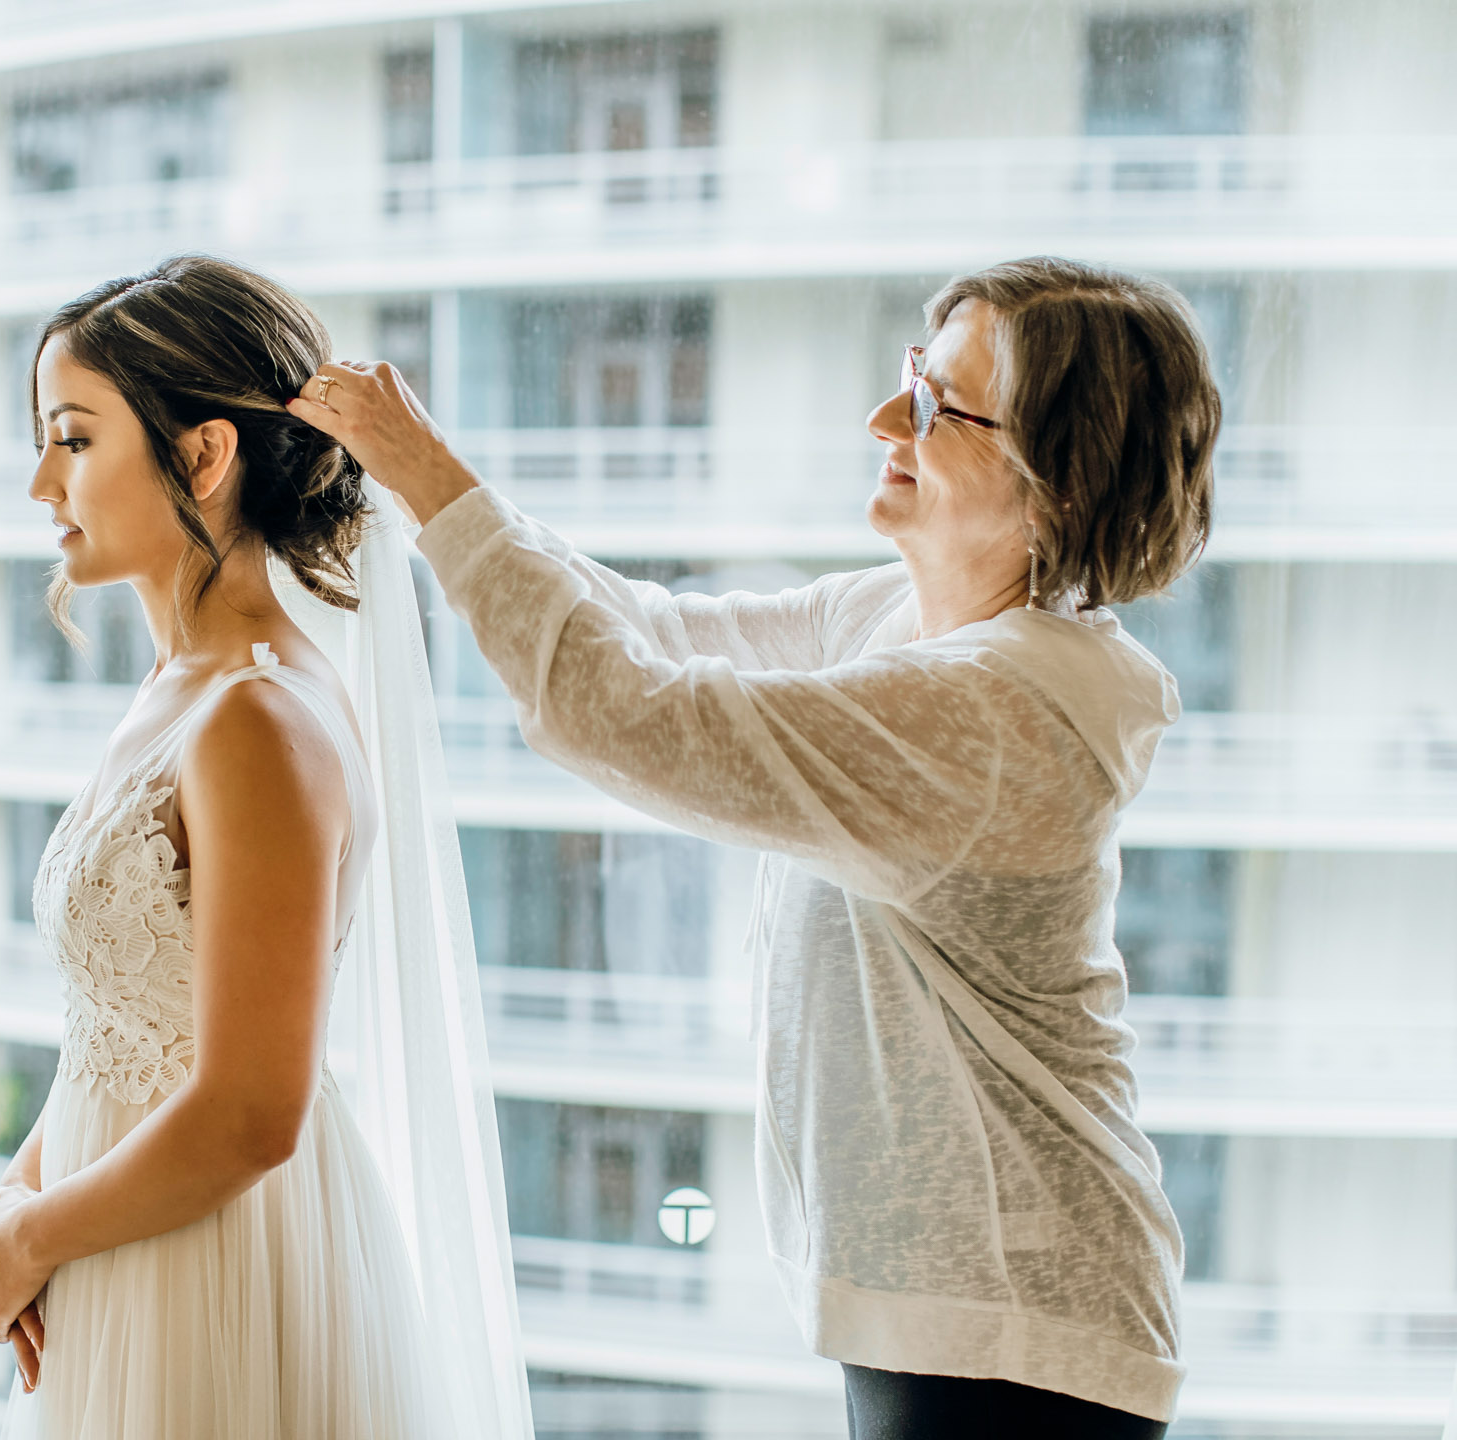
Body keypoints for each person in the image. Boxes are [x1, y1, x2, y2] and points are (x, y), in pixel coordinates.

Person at [290, 256, 1219, 1439]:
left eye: (941, 407)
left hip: (1016, 1324)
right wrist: (436, 490)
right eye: (909, 378)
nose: (886, 419)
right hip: (953, 1306)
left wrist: (427, 477)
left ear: (1057, 477)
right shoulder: (901, 617)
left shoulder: (999, 715)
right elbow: (651, 633)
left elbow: (624, 713)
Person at [0, 254, 533, 1440]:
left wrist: (34, 1235)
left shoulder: (256, 719)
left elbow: (253, 1108)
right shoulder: (177, 689)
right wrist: (22, 1183)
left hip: (216, 1270)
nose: (40, 485)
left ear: (203, 457)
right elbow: (130, 1026)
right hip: (124, 1239)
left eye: (73, 441)